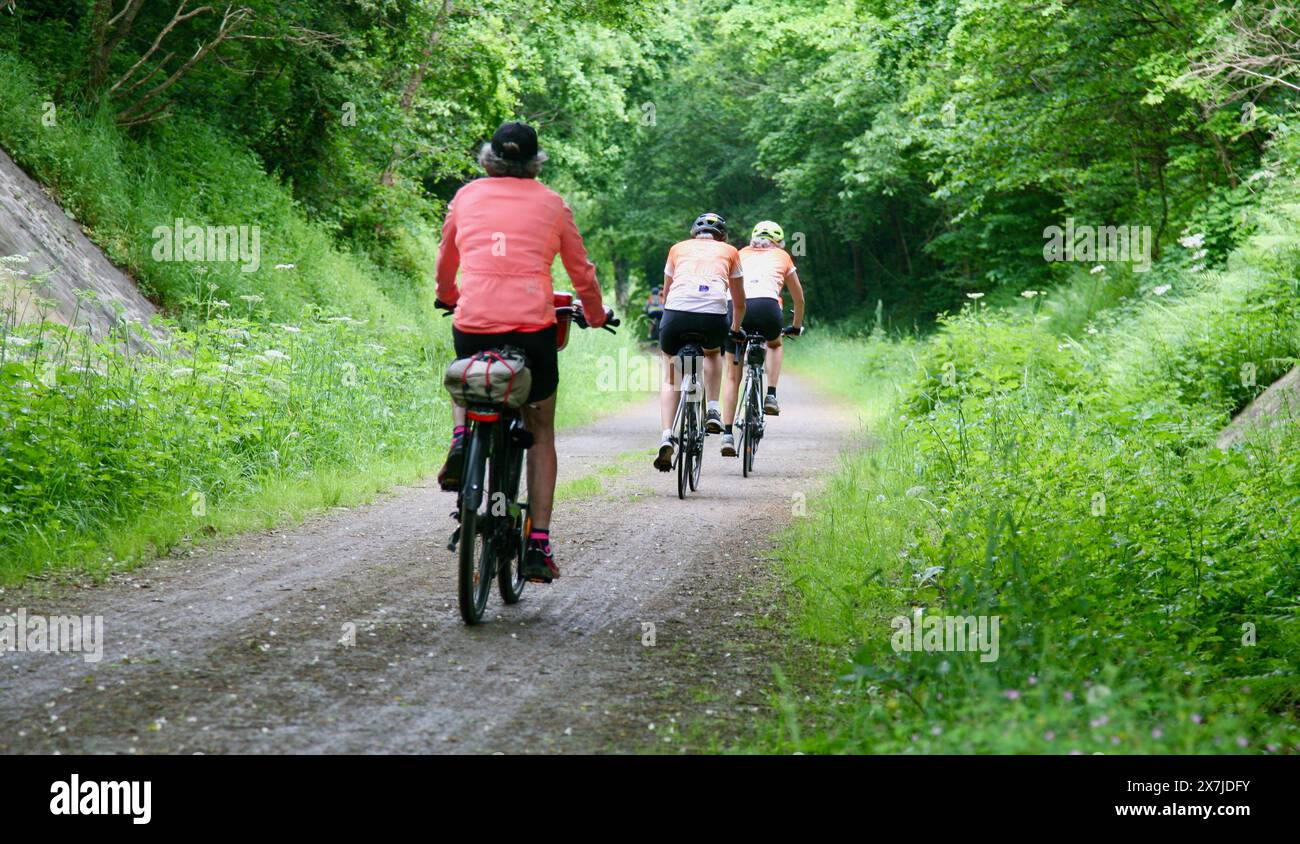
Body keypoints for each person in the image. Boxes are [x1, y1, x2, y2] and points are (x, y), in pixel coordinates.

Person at [434, 120, 606, 583]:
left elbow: (446, 259)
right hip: (532, 330)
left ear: (489, 157)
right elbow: (581, 271)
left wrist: (448, 296)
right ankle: (538, 544)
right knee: (541, 428)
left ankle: (462, 439)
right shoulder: (552, 205)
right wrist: (594, 312)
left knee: (468, 376)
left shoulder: (466, 197)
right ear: (535, 162)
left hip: (474, 323)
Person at [653, 212, 746, 471]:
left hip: (676, 315)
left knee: (671, 377)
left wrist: (670, 316)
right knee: (713, 353)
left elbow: (666, 292)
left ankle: (666, 435)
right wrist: (735, 328)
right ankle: (713, 409)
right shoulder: (730, 252)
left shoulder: (677, 249)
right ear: (722, 236)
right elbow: (738, 302)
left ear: (694, 233)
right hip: (712, 318)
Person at [720, 220, 805, 456]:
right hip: (768, 307)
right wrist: (795, 326)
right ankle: (771, 394)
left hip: (737, 309)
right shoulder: (783, 256)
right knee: (775, 343)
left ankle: (727, 435)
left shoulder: (737, 253)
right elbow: (799, 299)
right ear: (778, 242)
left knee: (731, 377)